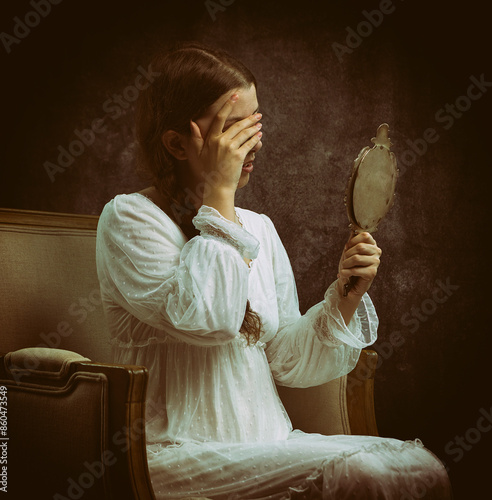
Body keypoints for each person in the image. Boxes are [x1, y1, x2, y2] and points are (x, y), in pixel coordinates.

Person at [95, 42, 451, 499]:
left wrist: (346, 295)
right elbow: (210, 320)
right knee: (368, 479)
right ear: (176, 143)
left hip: (269, 447)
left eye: (256, 122)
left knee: (419, 470)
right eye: (234, 127)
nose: (256, 141)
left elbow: (285, 359)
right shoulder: (128, 219)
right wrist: (220, 191)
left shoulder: (258, 228)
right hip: (175, 457)